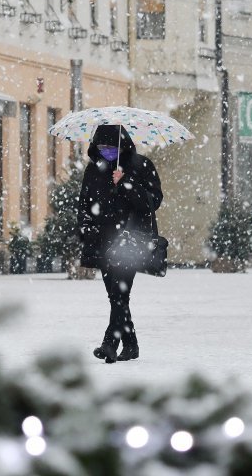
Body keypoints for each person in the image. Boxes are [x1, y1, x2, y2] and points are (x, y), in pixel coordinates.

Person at [78, 125, 163, 364]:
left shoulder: (142, 166)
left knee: (119, 293)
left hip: (130, 241)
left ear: (122, 146)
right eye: (101, 147)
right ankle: (131, 344)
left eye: (111, 148)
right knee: (116, 295)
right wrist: (85, 229)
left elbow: (153, 202)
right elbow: (84, 203)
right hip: (103, 241)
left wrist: (127, 183)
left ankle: (109, 343)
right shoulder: (93, 170)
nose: (106, 152)